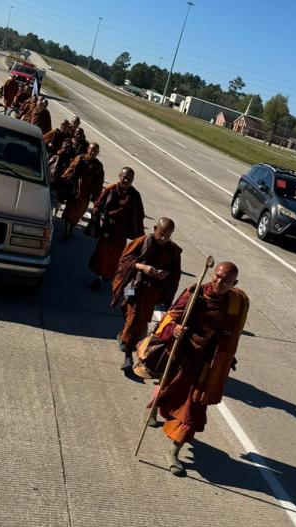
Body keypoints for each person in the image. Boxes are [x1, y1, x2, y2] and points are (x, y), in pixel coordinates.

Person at [151, 262, 248, 476]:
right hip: (183, 355)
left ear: (234, 283)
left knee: (192, 410)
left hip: (207, 364)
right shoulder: (196, 293)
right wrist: (173, 328)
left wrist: (224, 362)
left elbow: (233, 334)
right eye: (217, 276)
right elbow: (171, 315)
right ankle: (156, 407)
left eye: (226, 280)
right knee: (168, 390)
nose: (219, 282)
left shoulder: (235, 303)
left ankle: (173, 452)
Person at [111, 218, 182, 371]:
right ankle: (128, 353)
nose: (163, 239)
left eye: (167, 236)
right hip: (133, 288)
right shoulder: (142, 242)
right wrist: (143, 267)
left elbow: (175, 273)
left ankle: (129, 350)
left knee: (141, 321)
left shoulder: (173, 251)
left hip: (154, 293)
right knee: (132, 317)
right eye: (161, 234)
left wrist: (165, 274)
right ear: (155, 228)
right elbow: (125, 260)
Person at [88, 167, 145, 289]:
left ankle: (106, 275)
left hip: (121, 233)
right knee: (102, 254)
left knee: (115, 257)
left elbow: (139, 216)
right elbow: (98, 204)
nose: (126, 180)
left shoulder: (134, 195)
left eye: (129, 179)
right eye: (124, 177)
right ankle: (99, 277)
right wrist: (96, 220)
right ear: (119, 175)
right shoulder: (110, 189)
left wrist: (139, 236)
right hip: (107, 229)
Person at [59, 142, 105, 239]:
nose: (93, 152)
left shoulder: (98, 166)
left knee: (80, 211)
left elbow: (100, 181)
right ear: (88, 149)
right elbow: (70, 170)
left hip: (87, 192)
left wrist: (96, 194)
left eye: (95, 151)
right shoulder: (80, 158)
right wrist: (63, 180)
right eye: (91, 150)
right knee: (70, 209)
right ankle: (67, 229)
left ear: (98, 153)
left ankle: (71, 227)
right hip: (75, 188)